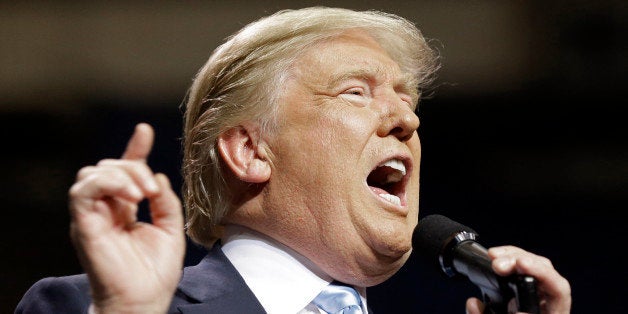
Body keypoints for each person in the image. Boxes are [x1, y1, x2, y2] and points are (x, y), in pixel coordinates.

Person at [16, 6, 571, 314]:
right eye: (356, 92)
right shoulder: (91, 305)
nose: (408, 120)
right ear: (251, 150)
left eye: (407, 99)